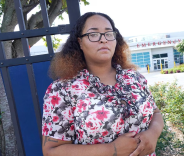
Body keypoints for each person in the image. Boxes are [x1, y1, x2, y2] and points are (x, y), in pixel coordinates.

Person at [42, 12, 164, 156]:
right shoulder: (63, 90)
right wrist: (111, 150)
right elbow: (51, 151)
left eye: (108, 34)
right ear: (80, 42)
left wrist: (153, 134)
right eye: (93, 35)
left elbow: (156, 112)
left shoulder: (134, 78)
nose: (103, 40)